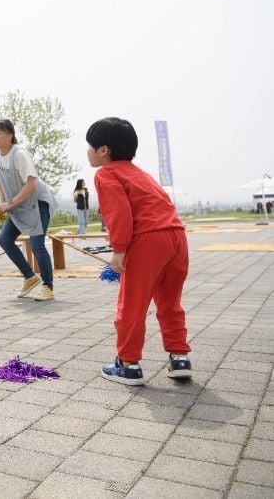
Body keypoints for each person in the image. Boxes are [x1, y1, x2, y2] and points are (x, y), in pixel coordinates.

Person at [87, 117, 192, 386]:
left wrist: (119, 251)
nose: (88, 151)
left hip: (147, 241)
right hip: (176, 237)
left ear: (104, 150)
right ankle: (179, 357)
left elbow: (119, 214)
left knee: (132, 304)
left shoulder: (106, 173)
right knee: (170, 302)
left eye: (90, 146)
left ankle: (128, 365)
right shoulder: (140, 173)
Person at [0, 119, 58, 301]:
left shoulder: (20, 154)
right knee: (4, 239)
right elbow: (0, 183)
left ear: (10, 136)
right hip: (17, 204)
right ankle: (29, 276)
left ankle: (48, 287)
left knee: (37, 245)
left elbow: (32, 184)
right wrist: (1, 202)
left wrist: (10, 203)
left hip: (37, 202)